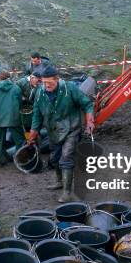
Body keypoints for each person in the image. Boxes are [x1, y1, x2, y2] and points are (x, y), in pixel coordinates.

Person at [29, 65, 94, 203]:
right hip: (53, 130)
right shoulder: (39, 93)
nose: (46, 85)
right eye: (44, 82)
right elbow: (36, 115)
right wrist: (33, 133)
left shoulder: (69, 89)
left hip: (71, 129)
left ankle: (67, 192)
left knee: (66, 158)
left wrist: (89, 121)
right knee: (54, 158)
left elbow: (87, 104)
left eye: (49, 83)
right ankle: (59, 181)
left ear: (57, 79)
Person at [0, 70, 25, 165]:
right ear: (9, 78)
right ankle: (22, 160)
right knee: (19, 140)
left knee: (0, 141)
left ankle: (1, 160)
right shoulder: (16, 88)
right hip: (14, 118)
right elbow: (20, 104)